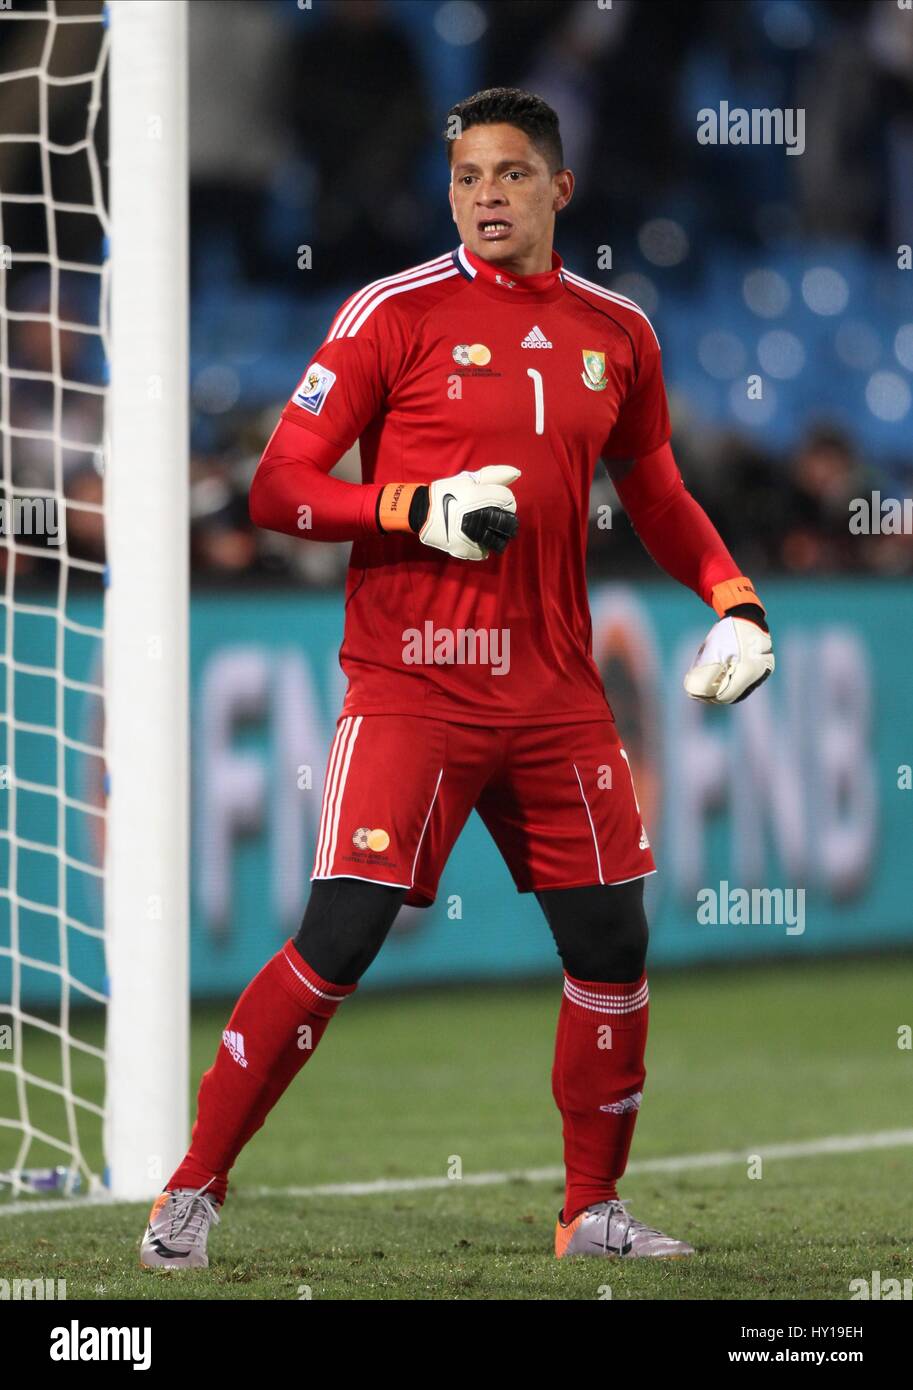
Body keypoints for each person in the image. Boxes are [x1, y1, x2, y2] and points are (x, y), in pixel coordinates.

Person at [140, 87, 773, 1270]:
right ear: (450, 192)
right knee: (339, 935)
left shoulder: (619, 333)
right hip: (412, 684)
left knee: (611, 943)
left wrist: (733, 596)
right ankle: (190, 1188)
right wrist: (408, 504)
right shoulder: (394, 312)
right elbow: (278, 486)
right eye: (469, 177)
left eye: (512, 174)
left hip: (556, 694)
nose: (487, 194)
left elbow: (658, 494)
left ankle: (590, 1213)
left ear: (558, 190)